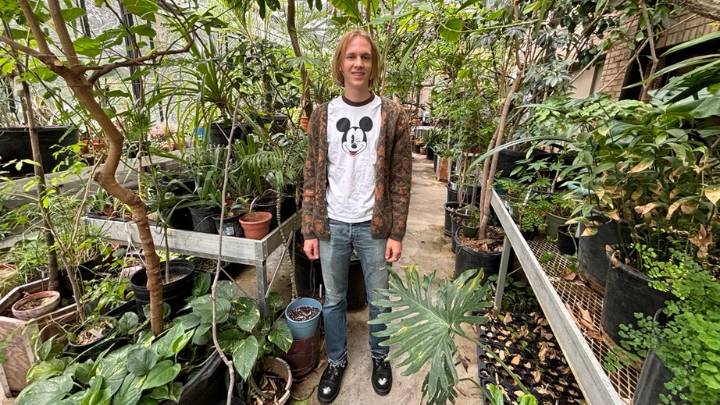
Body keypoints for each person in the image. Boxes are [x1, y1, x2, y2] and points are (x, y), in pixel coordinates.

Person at [301, 29, 412, 403]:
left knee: (380, 298)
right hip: (332, 222)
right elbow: (312, 175)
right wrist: (309, 229)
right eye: (352, 56)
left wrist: (397, 232)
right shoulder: (323, 115)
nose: (358, 63)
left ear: (374, 64)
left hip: (374, 225)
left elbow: (400, 178)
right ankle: (336, 360)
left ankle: (380, 358)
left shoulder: (392, 115)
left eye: (365, 57)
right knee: (333, 299)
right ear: (340, 63)